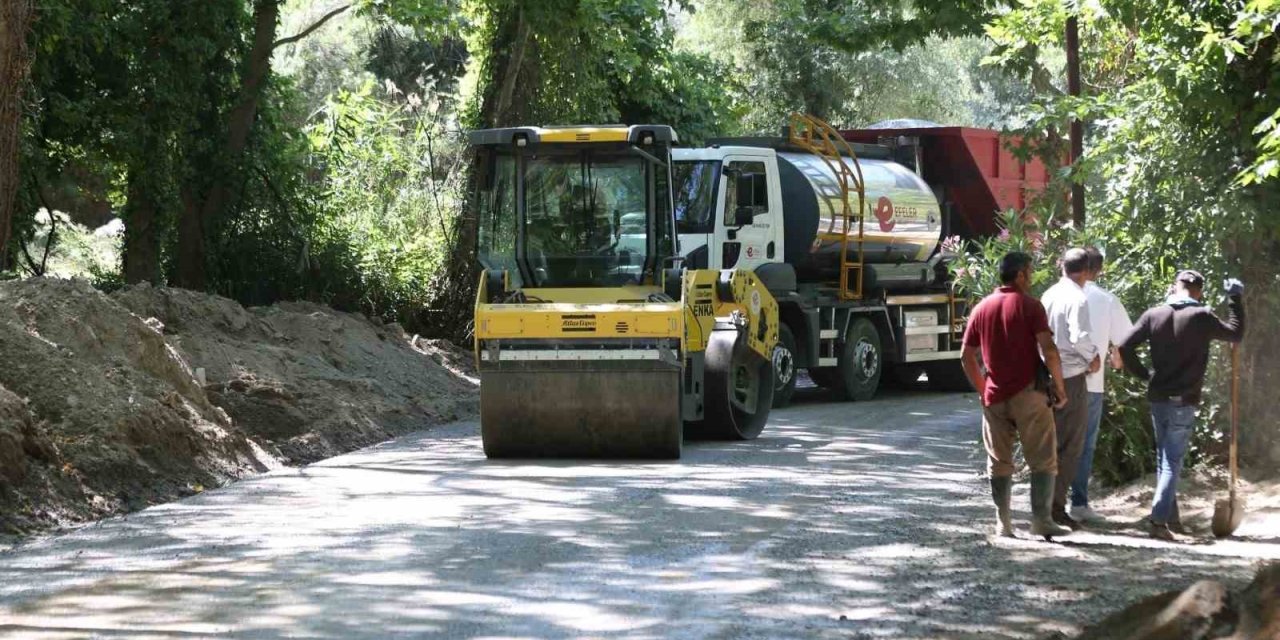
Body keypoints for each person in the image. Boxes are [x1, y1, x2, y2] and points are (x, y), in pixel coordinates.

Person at [1118, 270, 1244, 541]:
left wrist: (1146, 374)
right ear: (1199, 291)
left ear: (1175, 287)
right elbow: (1236, 333)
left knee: (1164, 460)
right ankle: (1158, 521)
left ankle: (1170, 519)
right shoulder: (1201, 316)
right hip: (1183, 400)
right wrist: (1234, 298)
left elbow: (1125, 347)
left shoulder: (1154, 314)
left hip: (1158, 398)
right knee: (1171, 462)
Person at [961, 251, 1071, 539]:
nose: (1031, 277)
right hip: (1029, 394)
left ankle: (1004, 523)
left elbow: (966, 356)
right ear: (1020, 274)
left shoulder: (982, 308)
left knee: (999, 460)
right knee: (1042, 458)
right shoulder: (1030, 306)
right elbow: (1049, 350)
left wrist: (983, 390)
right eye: (1030, 272)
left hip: (994, 396)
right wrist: (1060, 387)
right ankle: (1041, 520)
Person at [1069, 247, 1133, 523]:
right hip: (1091, 383)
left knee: (1059, 441)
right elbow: (1125, 343)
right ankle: (1078, 503)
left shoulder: (1053, 295)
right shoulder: (1107, 300)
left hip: (1057, 380)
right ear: (1099, 270)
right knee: (1085, 445)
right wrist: (1116, 358)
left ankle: (1050, 502)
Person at [1040, 248, 1101, 529]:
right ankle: (1055, 507)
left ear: (1062, 267)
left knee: (1049, 444)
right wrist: (1093, 357)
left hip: (1045, 376)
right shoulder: (1078, 298)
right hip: (1071, 377)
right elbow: (1079, 338)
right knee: (1071, 445)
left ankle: (1044, 503)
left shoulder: (1049, 295)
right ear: (1086, 271)